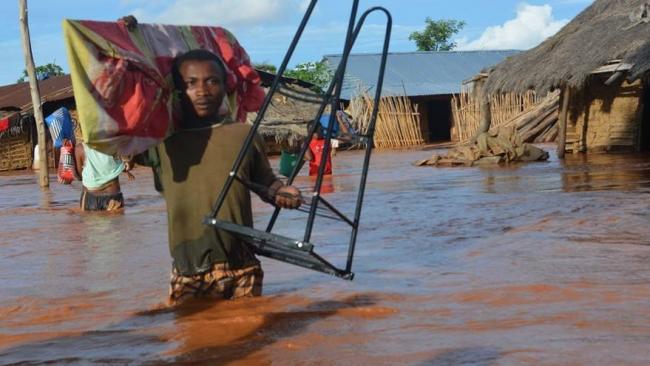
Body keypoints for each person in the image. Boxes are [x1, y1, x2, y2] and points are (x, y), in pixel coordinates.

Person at [135, 49, 303, 305]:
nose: (202, 91)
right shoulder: (161, 142)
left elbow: (266, 183)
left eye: (212, 81)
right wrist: (129, 38)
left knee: (249, 336)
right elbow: (117, 126)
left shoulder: (244, 135)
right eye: (190, 84)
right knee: (194, 340)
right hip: (190, 272)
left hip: (243, 267)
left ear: (226, 87)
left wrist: (283, 193)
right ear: (176, 90)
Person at [74, 142, 129, 211]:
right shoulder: (115, 144)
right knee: (115, 221)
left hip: (89, 198)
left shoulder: (80, 148)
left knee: (89, 220)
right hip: (112, 196)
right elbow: (128, 165)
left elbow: (80, 177)